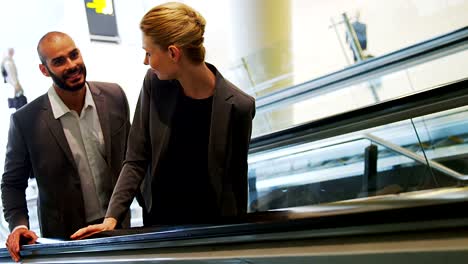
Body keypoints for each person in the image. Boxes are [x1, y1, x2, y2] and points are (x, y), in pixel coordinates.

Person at [71, 2, 256, 239]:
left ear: (173, 53)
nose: (146, 61)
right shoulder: (154, 84)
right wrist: (111, 218)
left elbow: (236, 184)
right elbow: (136, 158)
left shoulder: (239, 106)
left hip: (211, 232)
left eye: (149, 52)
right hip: (159, 226)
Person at [1, 31, 131, 262]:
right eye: (59, 61)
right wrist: (18, 226)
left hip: (118, 229)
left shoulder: (114, 96)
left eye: (74, 55)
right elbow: (12, 183)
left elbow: (134, 160)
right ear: (44, 70)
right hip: (66, 244)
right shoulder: (26, 120)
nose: (71, 65)